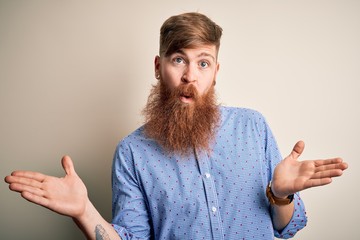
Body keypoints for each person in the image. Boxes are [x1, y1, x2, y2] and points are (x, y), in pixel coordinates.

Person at [5, 12, 348, 240]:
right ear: (159, 66)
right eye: (179, 59)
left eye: (203, 63)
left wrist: (281, 194)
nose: (189, 75)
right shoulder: (132, 153)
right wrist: (84, 211)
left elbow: (285, 227)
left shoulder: (253, 127)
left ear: (216, 72)